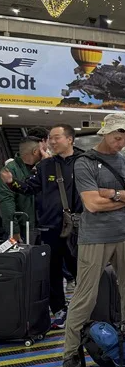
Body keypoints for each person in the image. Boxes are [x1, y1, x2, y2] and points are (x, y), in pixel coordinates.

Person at [62, 114, 125, 367]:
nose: (121, 142)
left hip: (124, 234)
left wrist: (111, 193)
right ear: (104, 133)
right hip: (94, 237)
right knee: (84, 297)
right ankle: (71, 355)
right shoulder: (84, 162)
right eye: (117, 137)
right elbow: (91, 205)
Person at [1, 125, 84, 330]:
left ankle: (84, 310)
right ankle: (60, 310)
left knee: (81, 269)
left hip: (78, 227)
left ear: (70, 139)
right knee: (52, 271)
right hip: (49, 227)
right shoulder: (46, 165)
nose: (52, 142)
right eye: (51, 139)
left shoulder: (85, 162)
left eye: (57, 138)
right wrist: (13, 183)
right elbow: (30, 187)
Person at [0, 138, 42, 243]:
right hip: (24, 228)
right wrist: (14, 231)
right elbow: (6, 202)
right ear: (35, 151)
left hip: (42, 226)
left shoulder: (41, 169)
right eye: (44, 149)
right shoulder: (10, 170)